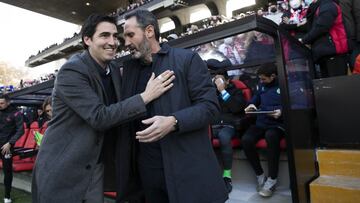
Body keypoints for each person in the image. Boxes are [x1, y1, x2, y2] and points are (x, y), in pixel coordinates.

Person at [31, 14, 175, 203]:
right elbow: (99, 117)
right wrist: (146, 96)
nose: (113, 42)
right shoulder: (71, 71)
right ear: (87, 39)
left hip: (95, 167)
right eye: (104, 35)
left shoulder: (114, 69)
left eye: (115, 36)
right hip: (63, 167)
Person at [119, 10, 228, 203]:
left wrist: (174, 121)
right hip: (147, 174)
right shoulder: (127, 70)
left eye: (130, 35)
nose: (126, 42)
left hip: (185, 168)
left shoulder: (187, 60)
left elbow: (210, 107)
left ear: (149, 31)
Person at [241, 63, 284, 198]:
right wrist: (251, 105)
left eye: (264, 79)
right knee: (246, 139)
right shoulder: (261, 86)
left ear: (273, 76)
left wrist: (281, 111)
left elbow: (294, 104)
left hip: (277, 124)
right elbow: (255, 100)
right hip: (262, 122)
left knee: (271, 136)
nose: (261, 81)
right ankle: (260, 175)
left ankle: (272, 179)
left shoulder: (283, 85)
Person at [211, 72, 246, 193]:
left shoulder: (236, 92)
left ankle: (227, 175)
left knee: (224, 136)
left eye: (220, 81)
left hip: (229, 126)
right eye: (216, 81)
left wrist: (223, 91)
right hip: (214, 126)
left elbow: (236, 108)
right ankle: (209, 173)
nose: (217, 84)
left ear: (227, 81)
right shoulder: (212, 93)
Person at [300, 0, 349, 77]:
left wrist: (304, 40)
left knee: (337, 85)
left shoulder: (328, 5)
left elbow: (321, 27)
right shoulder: (321, 6)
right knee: (328, 86)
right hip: (325, 54)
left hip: (333, 52)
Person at [0, 94, 24, 203]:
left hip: (7, 147)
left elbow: (21, 130)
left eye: (1, 103)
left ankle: (7, 196)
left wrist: (10, 143)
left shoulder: (16, 113)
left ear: (8, 102)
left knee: (7, 171)